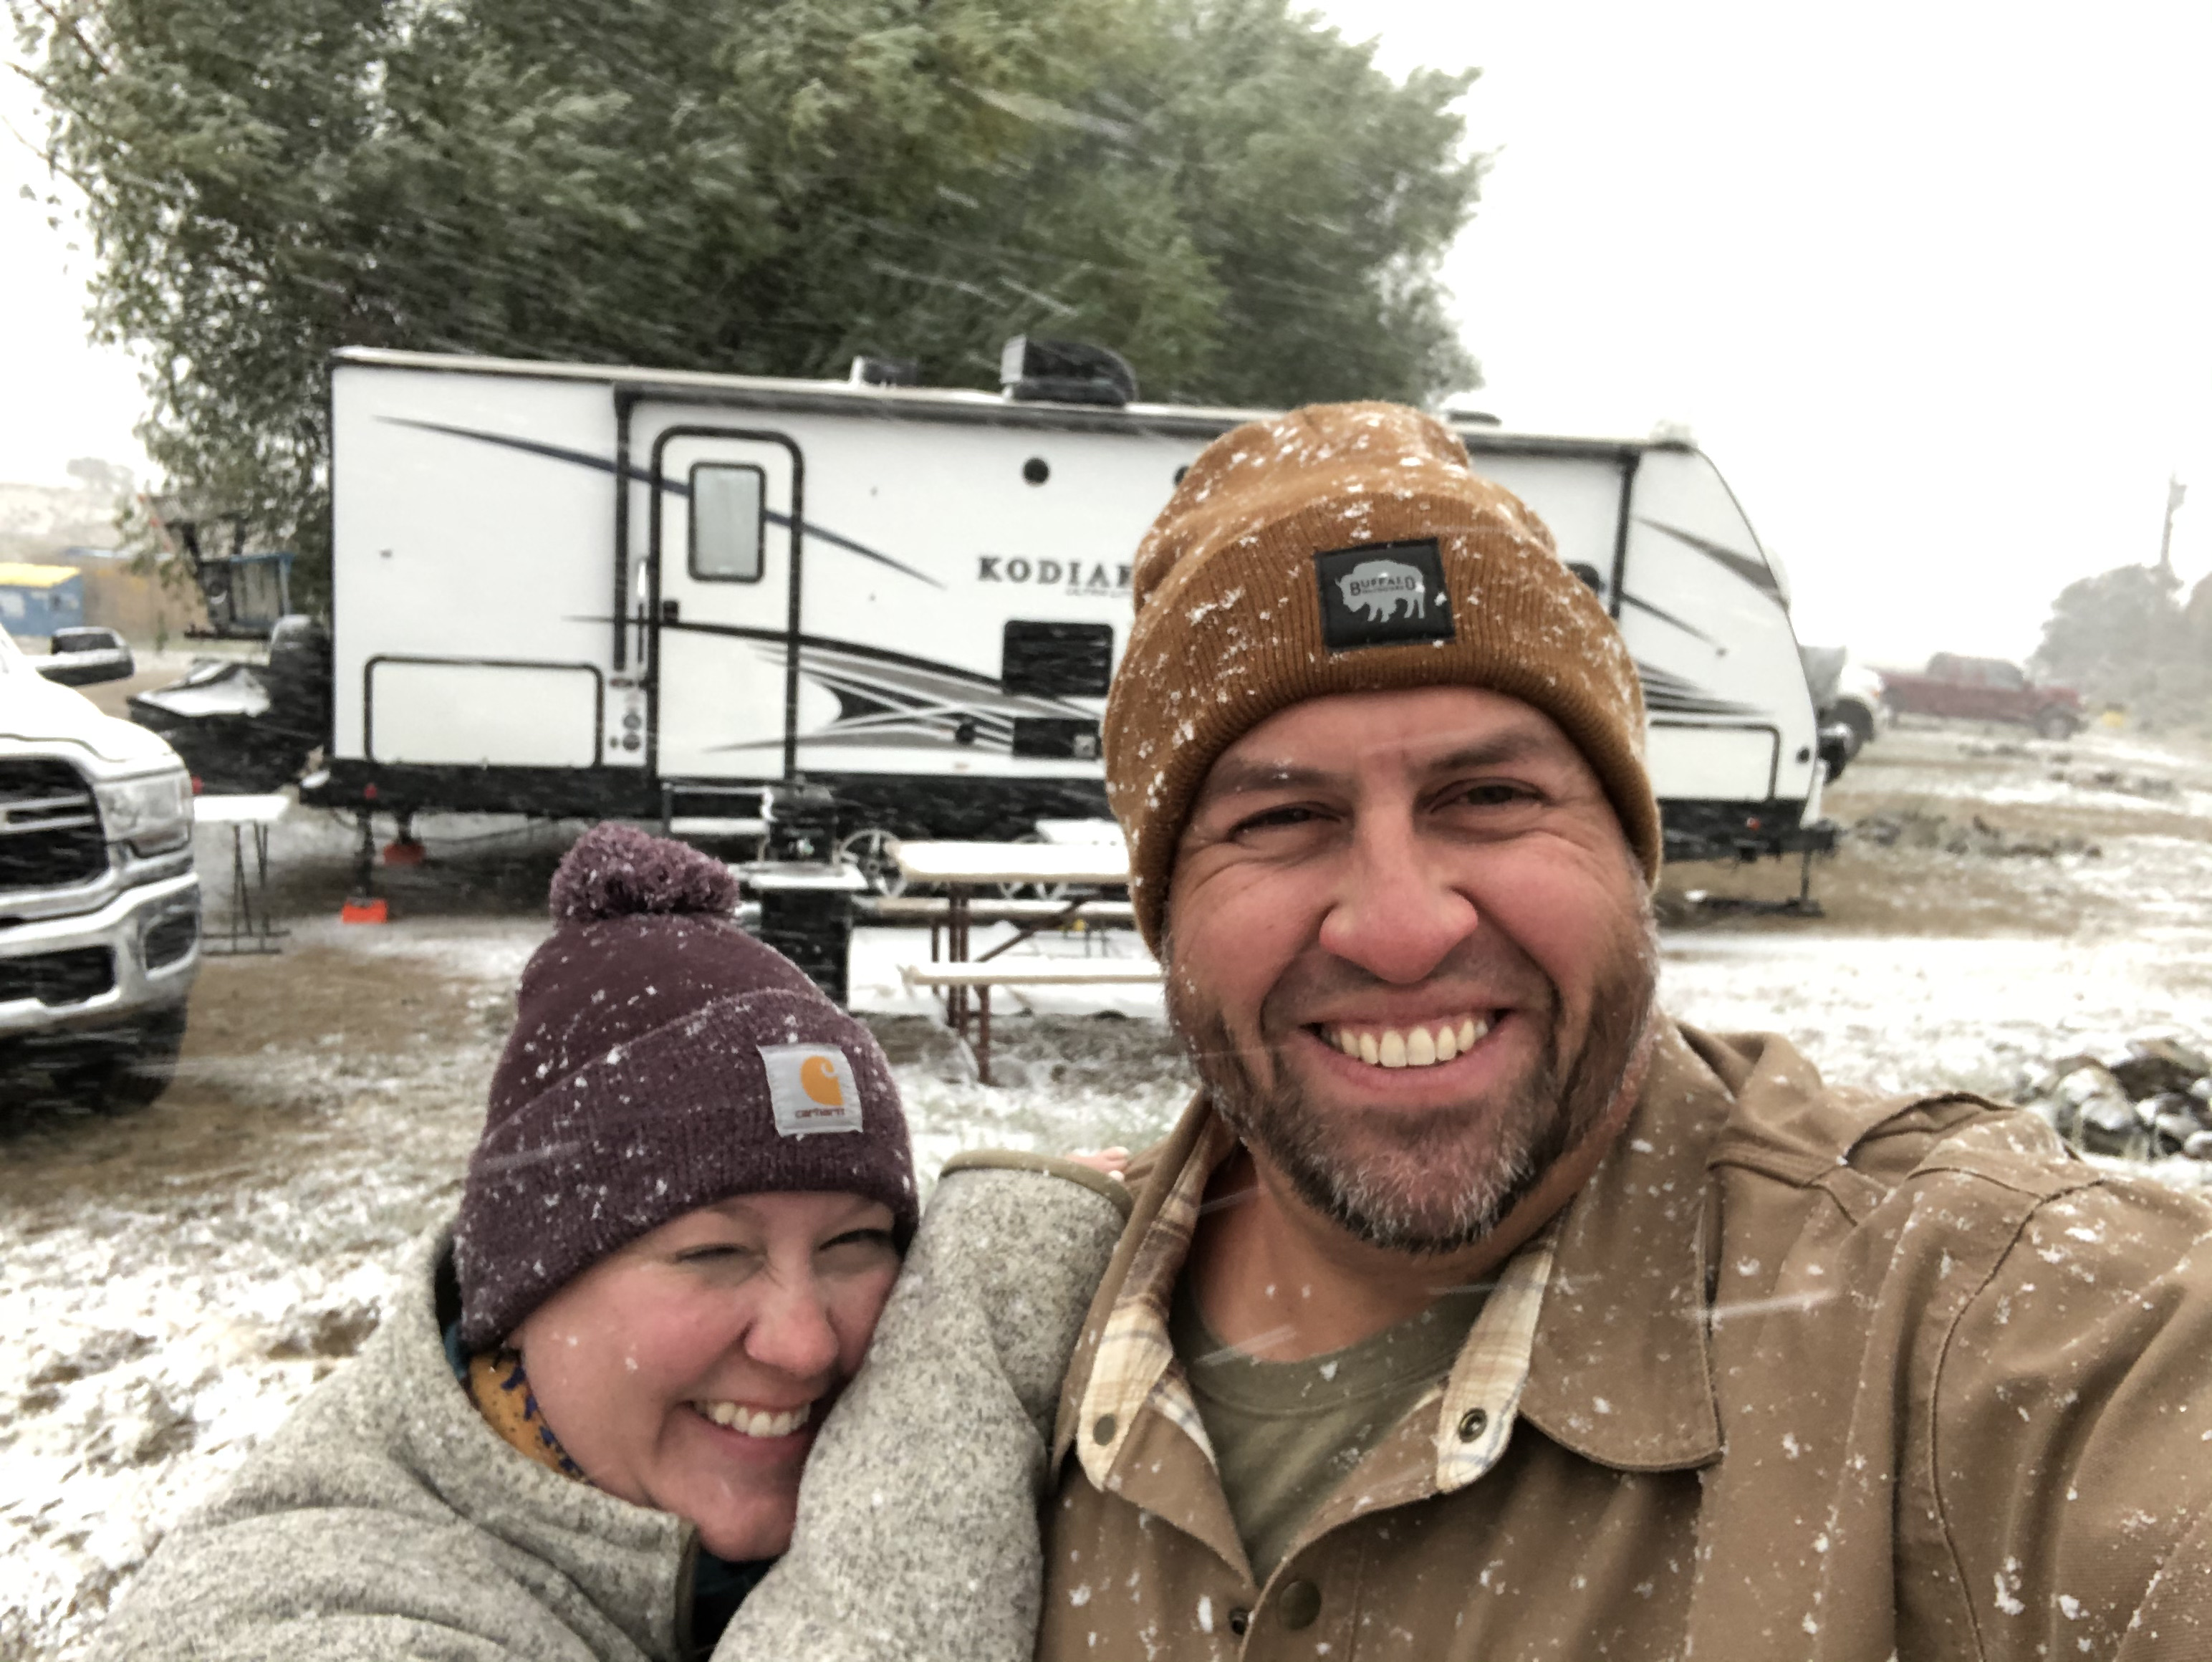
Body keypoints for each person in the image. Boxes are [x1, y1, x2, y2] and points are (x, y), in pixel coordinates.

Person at [1032, 401, 2212, 1660]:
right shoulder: (987, 1352)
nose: (1400, 927)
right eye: (1278, 819)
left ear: (1630, 856)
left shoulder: (1963, 1322)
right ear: (1166, 907)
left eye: (1489, 797)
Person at [92, 823, 1129, 1662]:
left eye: (856, 1243)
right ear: (521, 1290)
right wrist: (990, 1314)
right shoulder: (294, 1607)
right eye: (713, 1253)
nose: (805, 1344)